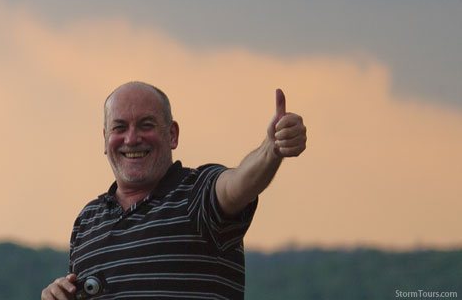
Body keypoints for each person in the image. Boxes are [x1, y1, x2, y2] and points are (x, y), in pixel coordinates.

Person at [41, 82, 307, 299]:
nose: (132, 138)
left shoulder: (197, 194)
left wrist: (270, 150)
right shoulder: (88, 221)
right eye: (120, 127)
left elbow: (237, 184)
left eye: (146, 125)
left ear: (172, 134)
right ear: (105, 139)